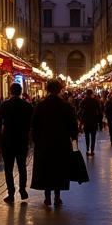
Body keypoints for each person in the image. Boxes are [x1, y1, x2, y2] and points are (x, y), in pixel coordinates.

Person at [29, 79, 77, 207]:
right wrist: (74, 144)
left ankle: (47, 197)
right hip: (61, 144)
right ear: (60, 90)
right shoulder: (66, 106)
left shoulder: (40, 105)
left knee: (46, 169)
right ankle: (57, 197)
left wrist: (36, 141)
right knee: (59, 170)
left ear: (47, 89)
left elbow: (34, 125)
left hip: (44, 143)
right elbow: (73, 127)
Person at [0, 81, 32, 203]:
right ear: (21, 92)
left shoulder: (4, 105)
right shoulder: (27, 106)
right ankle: (22, 190)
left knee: (8, 168)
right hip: (22, 140)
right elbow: (32, 124)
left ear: (10, 91)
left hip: (8, 140)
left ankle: (11, 193)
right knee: (22, 167)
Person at [78, 88, 102, 156]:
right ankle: (92, 150)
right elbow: (99, 111)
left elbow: (80, 111)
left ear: (86, 93)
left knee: (87, 136)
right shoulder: (95, 101)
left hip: (86, 121)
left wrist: (81, 121)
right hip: (94, 121)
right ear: (91, 93)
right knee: (93, 136)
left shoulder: (83, 101)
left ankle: (87, 150)